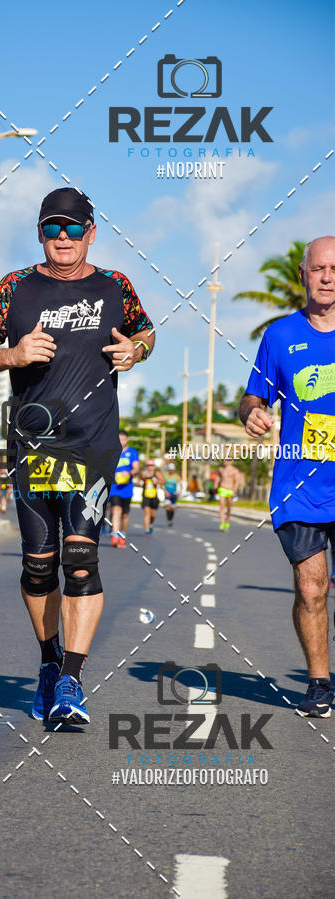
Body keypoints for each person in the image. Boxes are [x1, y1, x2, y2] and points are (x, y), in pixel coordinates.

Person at [0, 186, 154, 725]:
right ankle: (49, 661)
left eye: (74, 228)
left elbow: (146, 330)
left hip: (92, 443)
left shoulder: (115, 285)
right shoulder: (15, 288)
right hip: (32, 447)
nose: (64, 238)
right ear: (40, 233)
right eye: (53, 227)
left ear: (91, 232)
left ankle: (72, 678)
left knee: (79, 561)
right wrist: (12, 354)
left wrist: (135, 349)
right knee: (37, 566)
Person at [239, 235, 335, 718]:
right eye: (318, 268)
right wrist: (252, 414)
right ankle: (319, 683)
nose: (326, 276)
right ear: (303, 274)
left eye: (334, 268)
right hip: (299, 488)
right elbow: (252, 397)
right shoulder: (279, 336)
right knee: (310, 587)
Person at [108, 430, 139, 547]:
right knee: (116, 510)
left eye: (123, 439)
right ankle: (115, 536)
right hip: (114, 487)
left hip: (127, 488)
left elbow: (136, 468)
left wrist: (129, 472)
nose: (121, 442)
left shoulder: (133, 453)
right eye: (118, 439)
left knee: (125, 514)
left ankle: (122, 535)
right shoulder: (111, 452)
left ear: (127, 440)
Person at [138, 459, 164, 534]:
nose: (150, 467)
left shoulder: (157, 473)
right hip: (146, 496)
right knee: (147, 513)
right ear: (146, 466)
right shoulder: (144, 473)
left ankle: (151, 524)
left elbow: (163, 481)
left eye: (151, 465)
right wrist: (139, 482)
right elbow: (138, 479)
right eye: (148, 465)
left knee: (152, 515)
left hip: (154, 497)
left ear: (154, 466)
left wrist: (158, 482)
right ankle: (147, 530)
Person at [216, 460, 243, 530]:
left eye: (227, 460)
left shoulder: (235, 470)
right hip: (222, 489)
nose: (225, 462)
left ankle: (227, 520)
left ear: (230, 461)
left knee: (229, 507)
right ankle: (222, 523)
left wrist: (234, 491)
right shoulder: (221, 469)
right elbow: (218, 478)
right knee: (221, 506)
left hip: (230, 490)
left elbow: (237, 482)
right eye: (224, 460)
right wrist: (215, 485)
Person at [163, 462, 181, 527]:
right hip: (167, 494)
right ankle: (168, 520)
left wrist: (179, 492)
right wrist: (165, 491)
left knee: (172, 508)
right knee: (168, 507)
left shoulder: (177, 476)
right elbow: (163, 484)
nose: (171, 471)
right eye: (170, 470)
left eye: (172, 470)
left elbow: (179, 485)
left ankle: (171, 519)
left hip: (174, 494)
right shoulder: (165, 476)